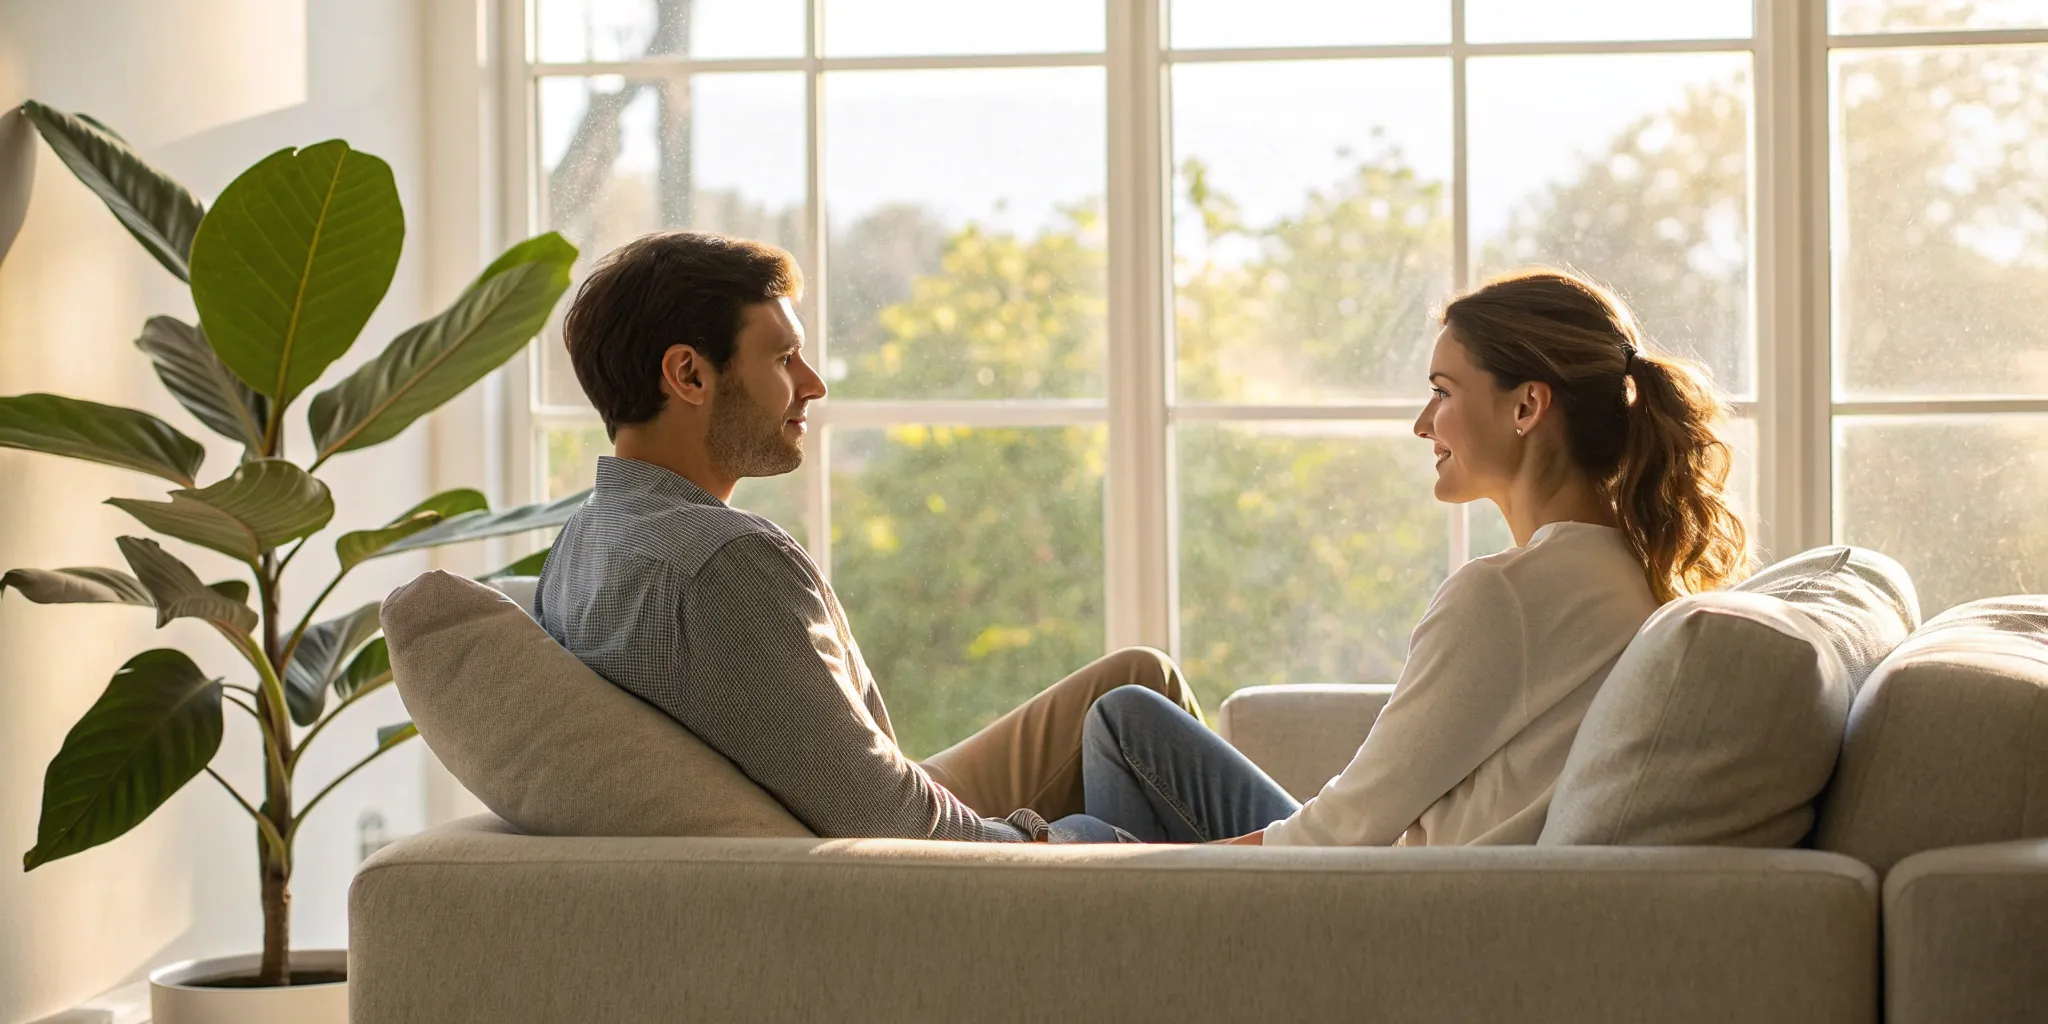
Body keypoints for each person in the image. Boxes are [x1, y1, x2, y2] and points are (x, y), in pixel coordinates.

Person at [534, 230, 1200, 844]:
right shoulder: (726, 563)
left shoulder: (583, 539)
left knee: (1138, 680)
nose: (813, 385)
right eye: (784, 358)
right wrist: (1055, 844)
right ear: (689, 375)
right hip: (907, 855)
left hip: (861, 800)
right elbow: (890, 826)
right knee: (1146, 747)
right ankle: (1246, 888)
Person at [1081, 268, 1752, 846]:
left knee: (1082, 827)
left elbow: (1341, 834)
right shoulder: (1635, 569)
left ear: (1526, 406)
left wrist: (1155, 873)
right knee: (1125, 719)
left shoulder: (1505, 596)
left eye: (1443, 390)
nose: (1423, 423)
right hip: (1422, 887)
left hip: (1385, 913)